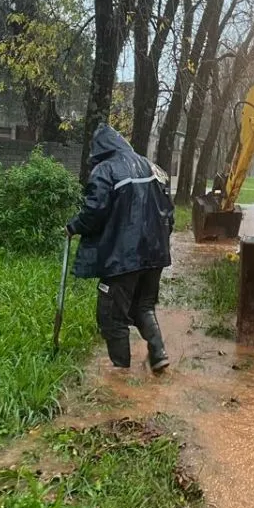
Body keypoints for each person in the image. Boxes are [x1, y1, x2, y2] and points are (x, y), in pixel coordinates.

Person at [67, 124, 175, 374]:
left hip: (124, 258)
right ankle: (158, 355)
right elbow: (170, 213)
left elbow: (94, 210)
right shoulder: (153, 167)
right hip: (155, 255)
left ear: (99, 150)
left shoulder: (106, 169)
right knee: (143, 306)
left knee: (111, 315)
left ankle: (120, 375)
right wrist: (157, 245)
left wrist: (73, 227)